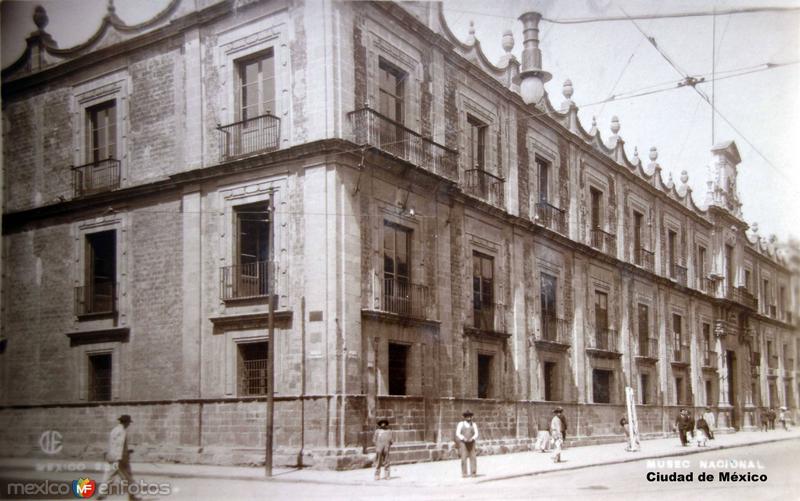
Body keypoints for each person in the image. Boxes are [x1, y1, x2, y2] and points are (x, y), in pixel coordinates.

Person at [97, 414, 140, 501]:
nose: (129, 425)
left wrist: (127, 451)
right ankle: (132, 497)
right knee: (128, 478)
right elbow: (119, 446)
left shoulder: (114, 430)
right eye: (129, 423)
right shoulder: (122, 431)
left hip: (112, 458)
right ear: (126, 422)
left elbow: (113, 444)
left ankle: (101, 494)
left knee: (108, 478)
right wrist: (120, 458)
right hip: (119, 460)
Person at [456, 410, 479, 478]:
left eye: (470, 417)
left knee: (473, 458)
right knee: (463, 458)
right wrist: (463, 438)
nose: (469, 418)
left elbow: (476, 433)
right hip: (463, 443)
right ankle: (464, 473)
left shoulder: (474, 424)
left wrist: (473, 438)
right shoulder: (461, 424)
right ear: (464, 417)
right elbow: (458, 433)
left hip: (472, 443)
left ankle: (473, 473)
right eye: (467, 417)